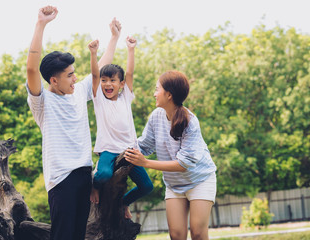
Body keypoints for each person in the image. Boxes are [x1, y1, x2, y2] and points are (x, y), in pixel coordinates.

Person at [26, 5, 122, 240]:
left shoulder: (79, 91)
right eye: (69, 75)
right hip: (61, 179)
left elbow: (99, 71)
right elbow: (31, 67)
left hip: (83, 175)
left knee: (79, 235)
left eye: (74, 72)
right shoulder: (42, 101)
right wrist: (41, 24)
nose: (75, 78)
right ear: (53, 80)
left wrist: (114, 38)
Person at [124, 71, 217, 240]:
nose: (154, 93)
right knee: (176, 235)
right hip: (174, 185)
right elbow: (144, 146)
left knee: (197, 233)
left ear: (168, 95)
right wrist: (119, 148)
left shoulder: (190, 121)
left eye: (157, 89)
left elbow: (183, 164)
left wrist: (145, 162)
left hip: (200, 180)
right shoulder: (156, 116)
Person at [88, 36, 153, 219]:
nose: (107, 84)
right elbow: (93, 75)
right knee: (104, 175)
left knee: (147, 186)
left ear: (121, 84)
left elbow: (130, 73)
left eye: (112, 81)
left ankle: (123, 202)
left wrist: (131, 49)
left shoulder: (126, 98)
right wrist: (93, 54)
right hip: (108, 149)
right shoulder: (99, 99)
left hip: (130, 150)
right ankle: (94, 186)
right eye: (104, 81)